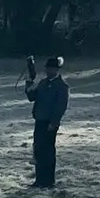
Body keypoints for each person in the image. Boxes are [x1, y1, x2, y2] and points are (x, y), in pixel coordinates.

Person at [25, 55, 70, 188]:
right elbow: (32, 97)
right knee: (38, 150)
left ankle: (49, 181)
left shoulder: (62, 86)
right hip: (39, 120)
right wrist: (28, 83)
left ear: (57, 70)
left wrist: (54, 123)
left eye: (52, 69)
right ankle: (39, 180)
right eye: (48, 68)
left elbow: (60, 107)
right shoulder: (43, 83)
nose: (49, 71)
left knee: (48, 152)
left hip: (50, 123)